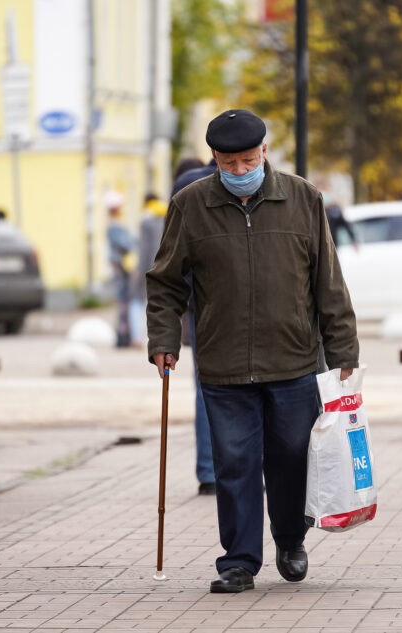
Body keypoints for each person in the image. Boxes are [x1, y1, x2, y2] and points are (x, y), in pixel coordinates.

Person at [146, 109, 359, 593]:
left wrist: (343, 349)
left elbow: (329, 283)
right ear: (214, 158)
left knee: (289, 456)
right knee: (234, 462)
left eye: (247, 160)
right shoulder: (190, 204)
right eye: (229, 162)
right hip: (223, 363)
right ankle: (238, 561)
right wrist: (162, 340)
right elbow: (164, 282)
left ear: (265, 152)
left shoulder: (303, 199)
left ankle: (289, 539)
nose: (239, 171)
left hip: (294, 359)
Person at [170, 157, 219, 496]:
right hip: (215, 305)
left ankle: (210, 472)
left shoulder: (186, 183)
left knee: (206, 385)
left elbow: (170, 257)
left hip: (200, 303)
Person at [128, 193, 167, 348]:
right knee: (161, 302)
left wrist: (138, 270)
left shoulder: (146, 220)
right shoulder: (167, 216)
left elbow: (144, 248)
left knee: (137, 301)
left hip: (147, 266)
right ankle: (162, 337)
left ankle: (137, 338)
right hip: (164, 264)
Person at [105, 191, 135, 348]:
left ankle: (123, 333)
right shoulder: (115, 225)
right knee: (125, 299)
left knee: (124, 300)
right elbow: (126, 244)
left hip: (120, 263)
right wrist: (134, 242)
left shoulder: (112, 223)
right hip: (121, 264)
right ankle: (123, 334)